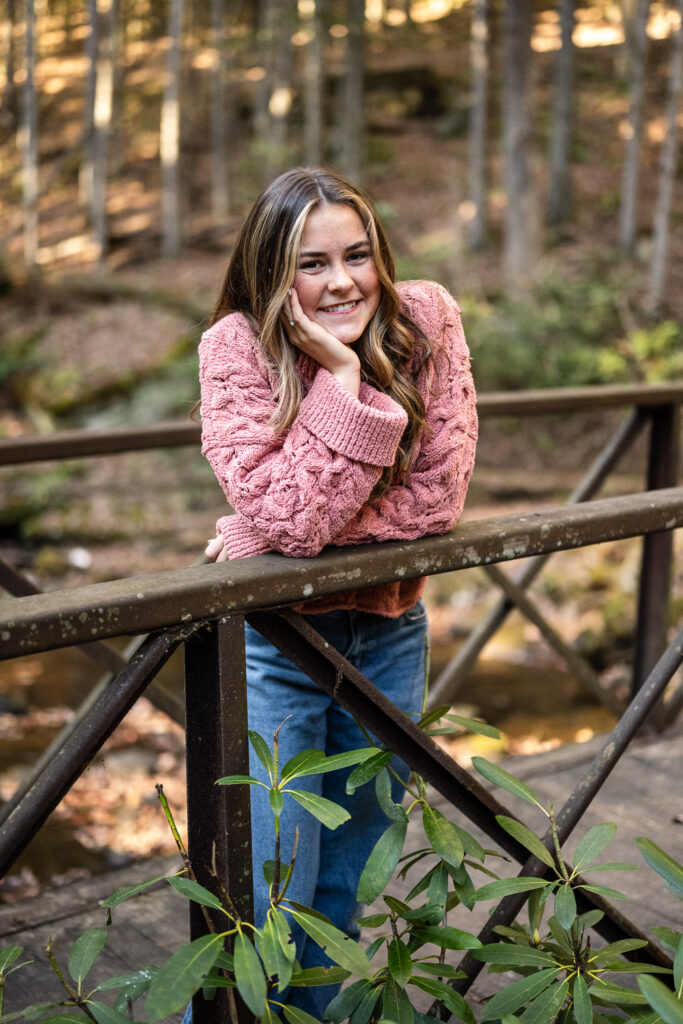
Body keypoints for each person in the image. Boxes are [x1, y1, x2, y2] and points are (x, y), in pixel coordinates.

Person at [197, 166, 478, 1018]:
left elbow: (439, 499)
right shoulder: (234, 349)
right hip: (273, 647)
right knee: (267, 900)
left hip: (391, 634)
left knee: (344, 887)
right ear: (271, 274)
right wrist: (345, 385)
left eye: (357, 255)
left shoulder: (426, 318)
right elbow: (289, 514)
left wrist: (266, 532)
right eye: (310, 264)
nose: (342, 281)